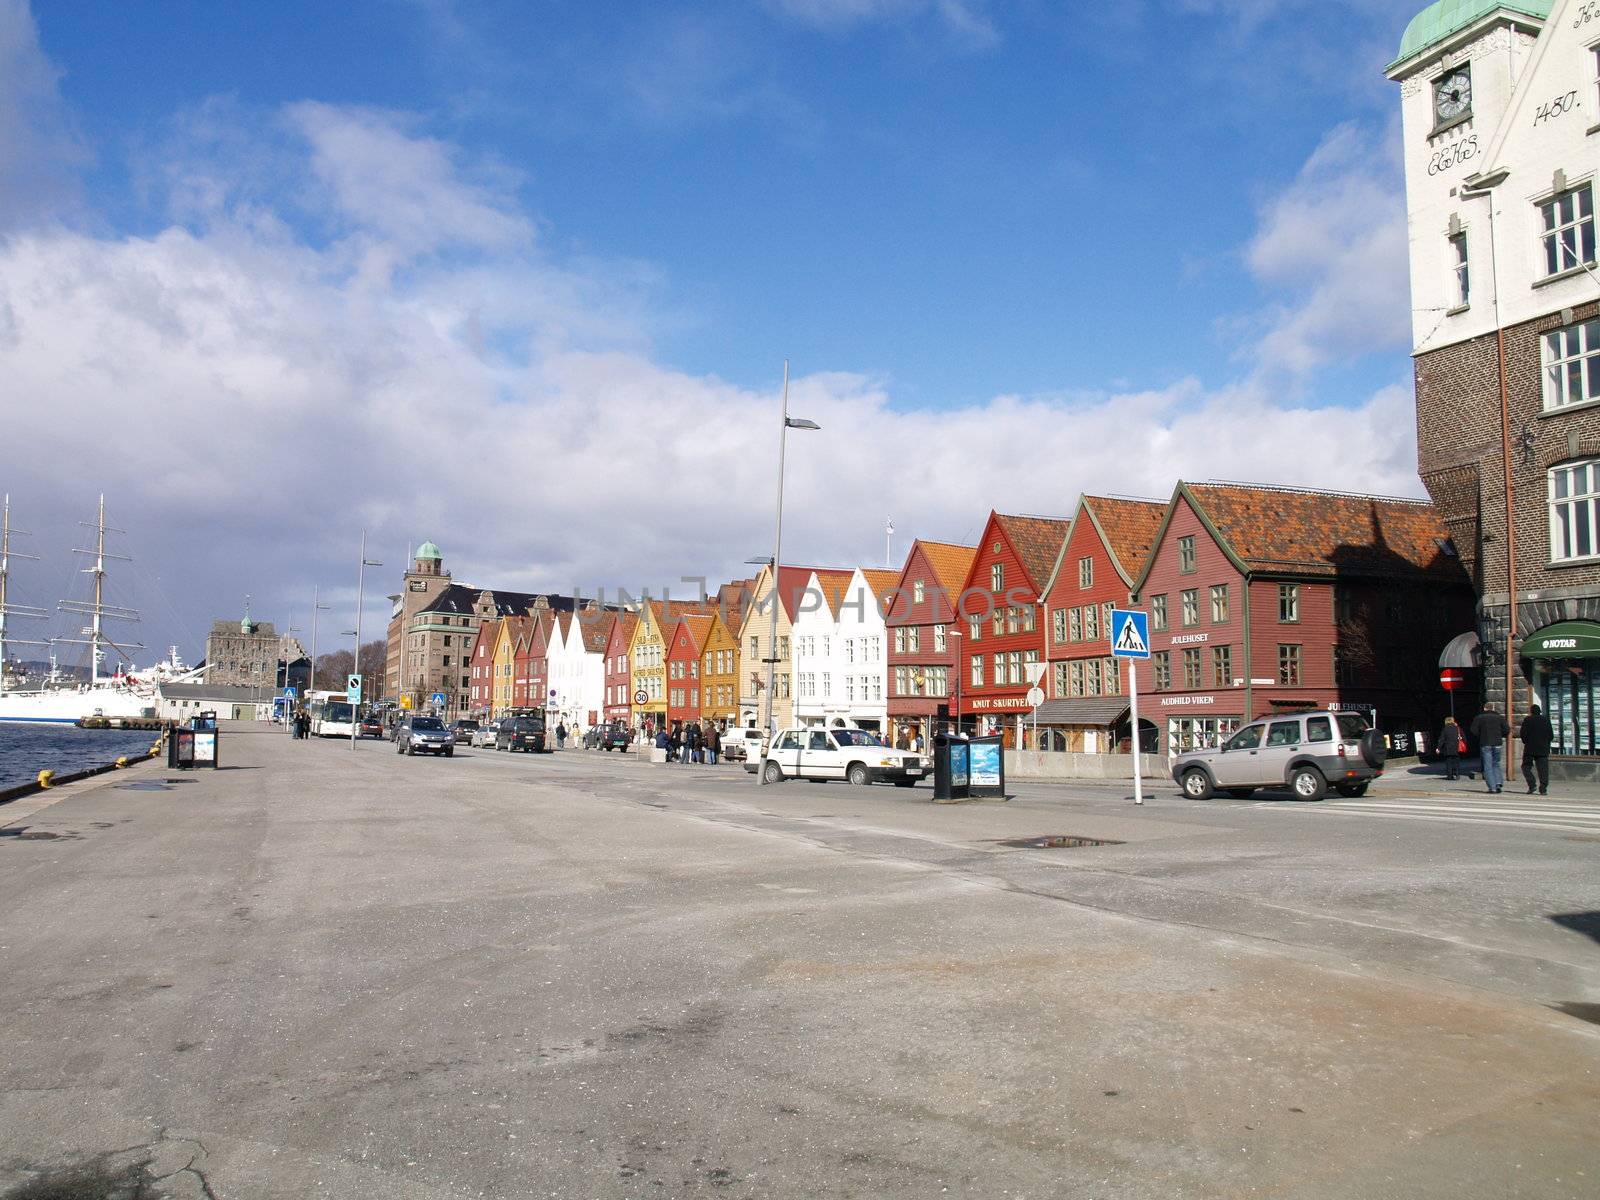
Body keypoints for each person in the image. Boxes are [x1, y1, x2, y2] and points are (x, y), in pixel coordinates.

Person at [1470, 703, 1510, 794]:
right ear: (1493, 708)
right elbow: (1507, 730)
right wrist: (1500, 735)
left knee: (1488, 766)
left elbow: (1473, 730)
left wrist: (1481, 736)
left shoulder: (1479, 718)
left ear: (1484, 708)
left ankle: (1492, 787)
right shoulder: (1499, 717)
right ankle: (1498, 783)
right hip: (1497, 743)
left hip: (1485, 743)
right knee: (1496, 763)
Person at [1519, 703, 1554, 795]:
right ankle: (1543, 788)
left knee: (1526, 766)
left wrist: (1526, 741)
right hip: (1543, 748)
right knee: (1543, 769)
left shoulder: (1528, 720)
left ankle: (1532, 784)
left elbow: (1523, 734)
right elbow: (1551, 735)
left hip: (1530, 748)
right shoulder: (1546, 720)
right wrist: (1546, 743)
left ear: (1531, 711)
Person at [1437, 715, 1464, 780]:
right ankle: (1457, 774)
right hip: (1456, 748)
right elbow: (1464, 737)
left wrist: (1438, 748)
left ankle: (1450, 775)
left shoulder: (1445, 729)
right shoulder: (1457, 728)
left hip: (1448, 748)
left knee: (1448, 762)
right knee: (1456, 762)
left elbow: (1442, 739)